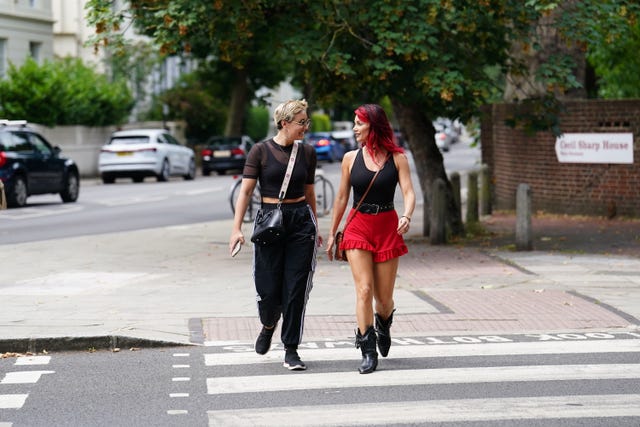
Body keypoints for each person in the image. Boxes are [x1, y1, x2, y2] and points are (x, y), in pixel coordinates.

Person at [229, 99, 319, 371]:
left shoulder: (308, 153)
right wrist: (236, 229)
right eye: (301, 122)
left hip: (301, 223)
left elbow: (310, 191)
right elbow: (245, 192)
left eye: (307, 121)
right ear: (284, 123)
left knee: (296, 289)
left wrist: (315, 225)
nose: (306, 126)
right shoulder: (260, 151)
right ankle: (268, 324)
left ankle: (291, 348)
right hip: (270, 222)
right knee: (267, 288)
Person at [326, 104, 416, 374]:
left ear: (373, 126)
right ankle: (367, 348)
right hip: (358, 226)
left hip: (387, 226)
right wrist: (332, 234)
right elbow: (342, 197)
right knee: (364, 289)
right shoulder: (350, 159)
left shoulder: (397, 158)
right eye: (354, 122)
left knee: (384, 299)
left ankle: (383, 323)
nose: (354, 128)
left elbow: (409, 192)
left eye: (358, 123)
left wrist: (407, 215)